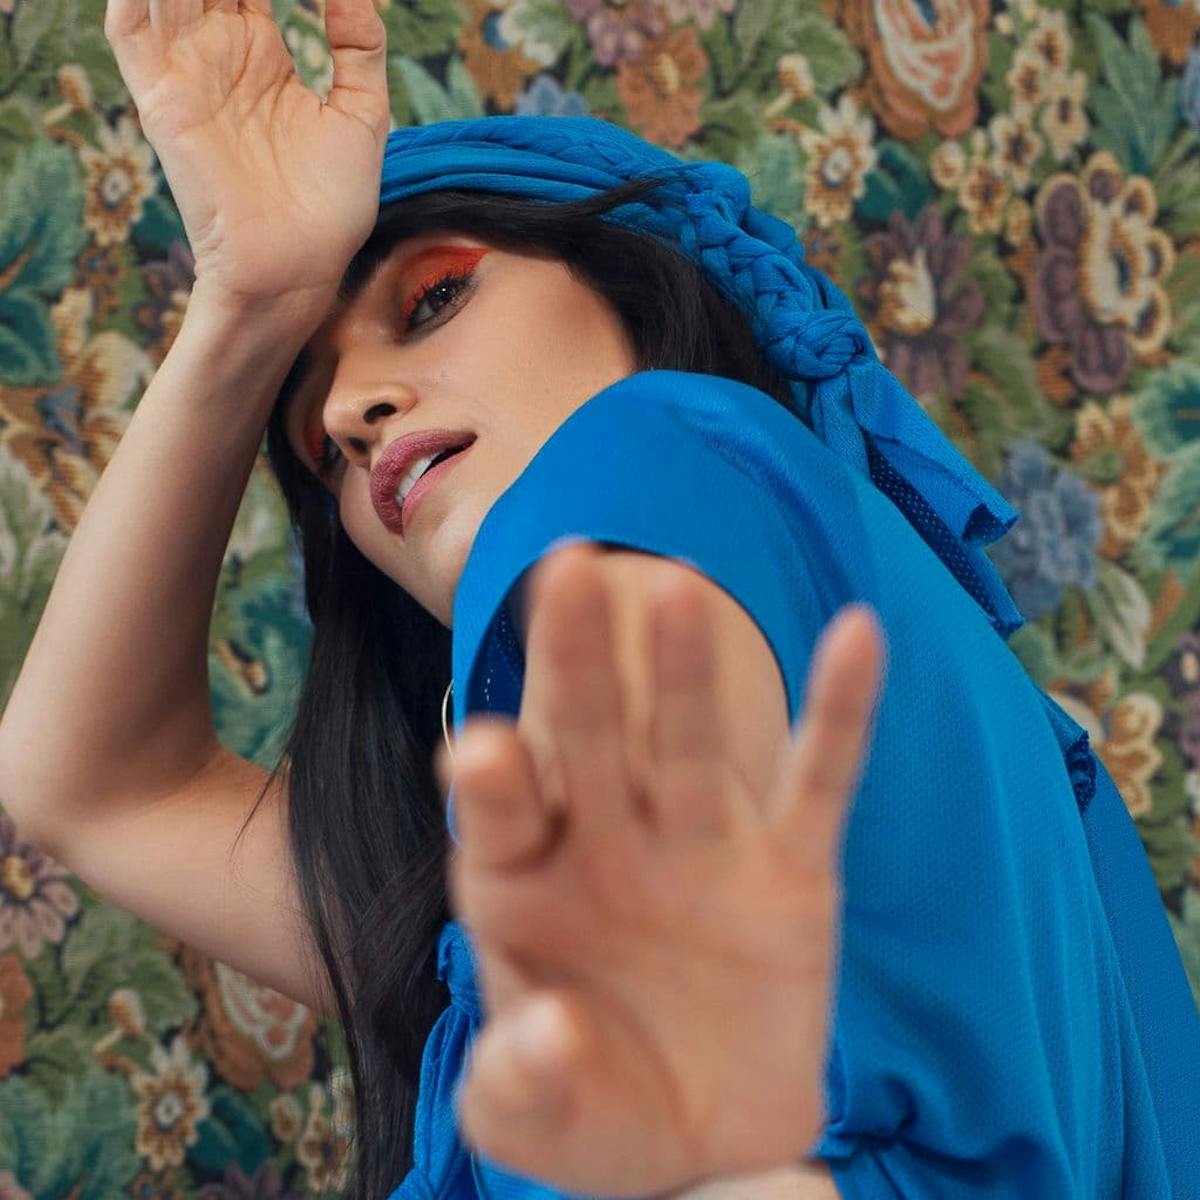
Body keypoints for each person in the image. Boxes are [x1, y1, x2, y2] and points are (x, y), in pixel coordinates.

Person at [0, 5, 1195, 1200]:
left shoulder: (660, 437)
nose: (354, 409)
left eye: (432, 301)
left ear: (634, 292)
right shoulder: (511, 910)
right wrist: (246, 304)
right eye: (322, 444)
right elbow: (96, 785)